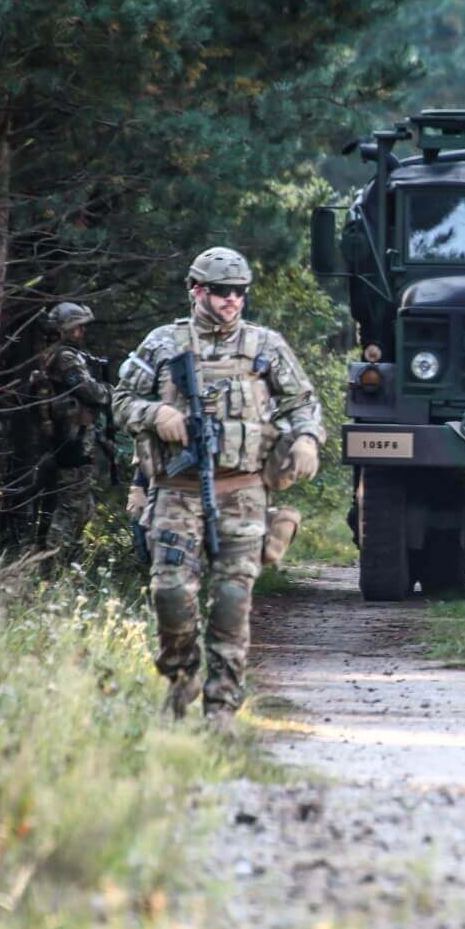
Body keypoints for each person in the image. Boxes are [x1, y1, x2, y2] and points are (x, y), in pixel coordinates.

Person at [113, 247, 325, 724]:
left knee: (232, 600)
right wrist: (156, 413)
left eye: (240, 291)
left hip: (243, 491)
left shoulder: (266, 346)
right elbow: (121, 400)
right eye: (221, 290)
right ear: (197, 291)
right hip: (176, 490)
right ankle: (180, 673)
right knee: (170, 593)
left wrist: (307, 439)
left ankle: (222, 709)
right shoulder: (163, 343)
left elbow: (303, 404)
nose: (232, 299)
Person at [33, 301, 112, 552]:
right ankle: (52, 559)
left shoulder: (58, 354)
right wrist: (109, 392)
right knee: (70, 504)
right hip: (71, 438)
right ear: (66, 329)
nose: (82, 332)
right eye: (78, 327)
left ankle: (69, 557)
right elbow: (89, 391)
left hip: (72, 436)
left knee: (81, 502)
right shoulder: (65, 357)